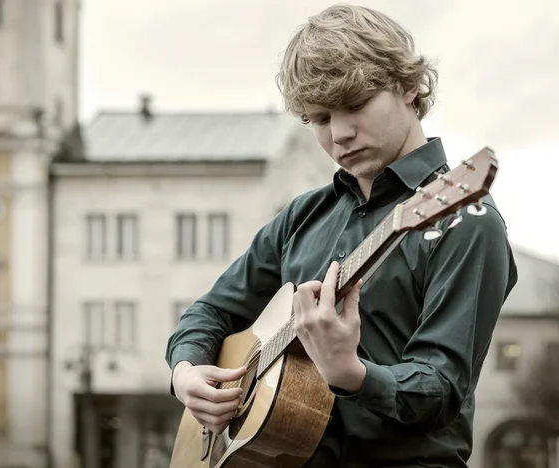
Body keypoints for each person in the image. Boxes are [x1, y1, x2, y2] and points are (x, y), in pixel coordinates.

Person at [165, 3, 518, 467]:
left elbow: (441, 389)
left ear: (409, 84)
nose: (341, 135)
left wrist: (349, 373)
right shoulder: (301, 217)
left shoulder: (465, 219)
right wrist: (186, 373)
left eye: (355, 105)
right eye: (320, 119)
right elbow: (212, 310)